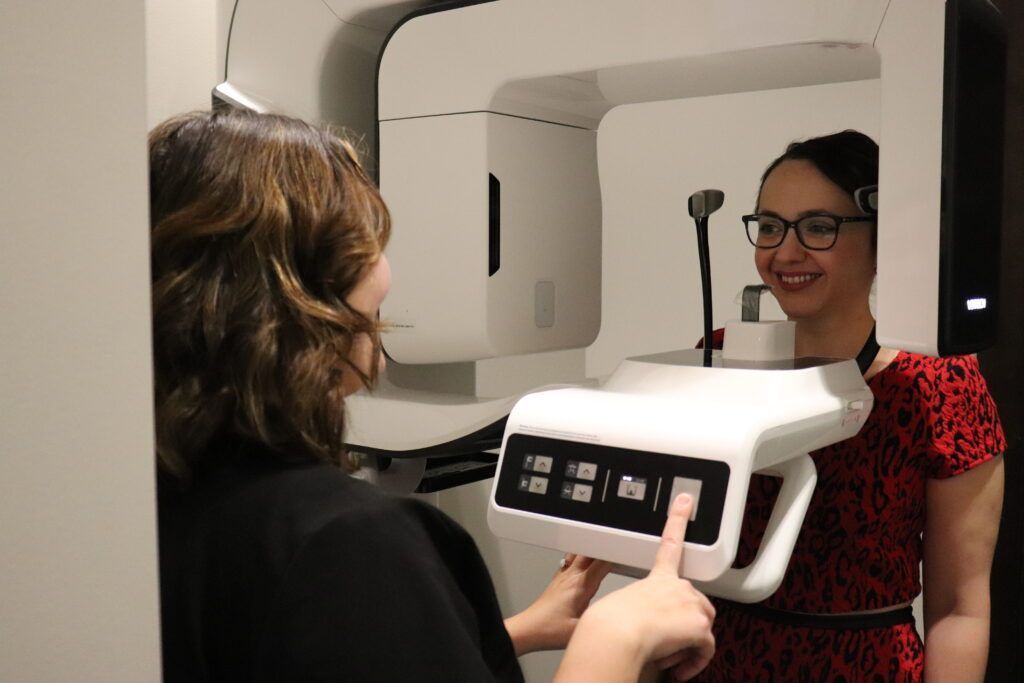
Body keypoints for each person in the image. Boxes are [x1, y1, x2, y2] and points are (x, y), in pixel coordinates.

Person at [151, 109, 715, 683]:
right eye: (366, 240)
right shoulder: (348, 542)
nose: (387, 275)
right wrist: (616, 638)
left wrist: (509, 633)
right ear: (307, 283)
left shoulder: (157, 499)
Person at [692, 130, 1006, 682]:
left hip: (862, 665)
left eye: (818, 227)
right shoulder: (715, 355)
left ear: (882, 240)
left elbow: (961, 608)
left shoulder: (938, 383)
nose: (785, 253)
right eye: (769, 226)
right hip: (712, 660)